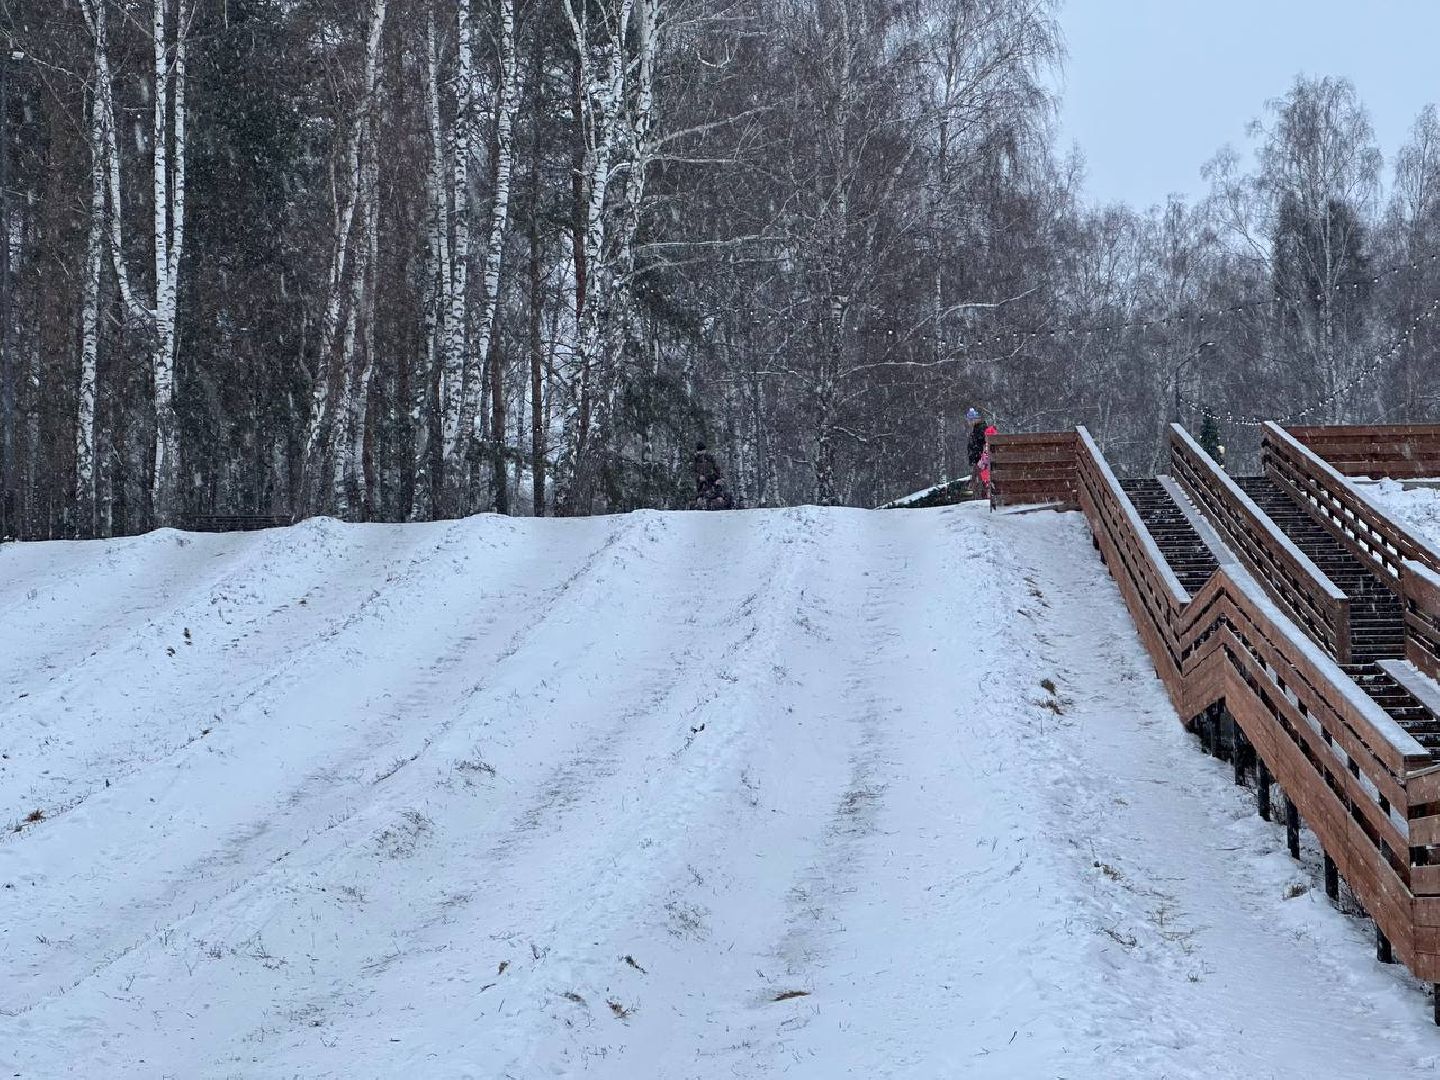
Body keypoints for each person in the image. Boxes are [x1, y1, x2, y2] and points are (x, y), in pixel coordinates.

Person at [692, 441, 728, 510]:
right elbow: (692, 472)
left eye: (703, 451)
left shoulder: (710, 457)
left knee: (719, 498)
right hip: (701, 484)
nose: (702, 453)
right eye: (700, 451)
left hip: (713, 481)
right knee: (700, 500)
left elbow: (717, 468)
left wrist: (720, 478)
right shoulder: (695, 459)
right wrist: (699, 477)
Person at [965, 408, 987, 491]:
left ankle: (981, 492)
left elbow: (980, 444)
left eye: (969, 420)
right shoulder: (977, 428)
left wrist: (977, 458)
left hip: (980, 460)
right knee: (977, 479)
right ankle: (977, 490)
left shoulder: (980, 429)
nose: (969, 423)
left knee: (980, 480)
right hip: (978, 459)